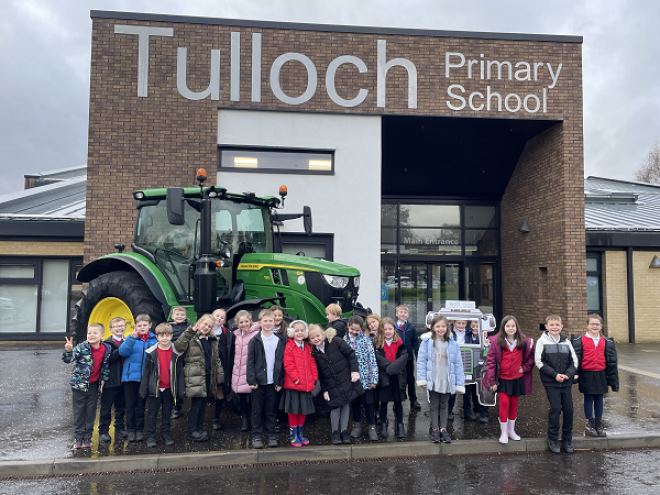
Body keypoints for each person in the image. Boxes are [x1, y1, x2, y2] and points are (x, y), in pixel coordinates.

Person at [483, 316, 535, 444]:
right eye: (508, 326)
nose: (510, 328)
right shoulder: (496, 342)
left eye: (513, 326)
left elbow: (531, 359)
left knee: (514, 404)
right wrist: (492, 382)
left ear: (516, 327)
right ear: (503, 328)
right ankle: (504, 432)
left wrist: (525, 368)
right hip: (502, 379)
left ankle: (511, 431)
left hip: (517, 379)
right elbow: (490, 363)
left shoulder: (523, 341)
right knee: (504, 403)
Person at [309, 324, 363, 445]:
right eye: (312, 338)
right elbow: (321, 374)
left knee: (345, 404)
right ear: (310, 340)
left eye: (317, 335)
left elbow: (351, 355)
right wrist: (324, 390)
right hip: (331, 383)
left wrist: (354, 371)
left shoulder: (336, 341)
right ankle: (335, 432)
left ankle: (344, 431)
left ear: (322, 334)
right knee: (335, 406)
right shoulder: (314, 353)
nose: (316, 339)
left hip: (345, 378)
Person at [174, 313, 224, 443]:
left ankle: (199, 429)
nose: (206, 327)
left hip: (208, 376)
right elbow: (178, 347)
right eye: (205, 324)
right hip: (195, 376)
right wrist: (190, 331)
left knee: (203, 405)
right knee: (196, 405)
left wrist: (220, 377)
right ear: (199, 322)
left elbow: (216, 359)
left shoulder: (212, 340)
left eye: (209, 326)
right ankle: (192, 431)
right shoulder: (191, 337)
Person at [417, 315, 465, 444]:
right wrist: (422, 379)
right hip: (433, 379)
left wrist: (459, 382)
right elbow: (421, 361)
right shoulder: (426, 343)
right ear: (432, 327)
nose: (440, 328)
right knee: (434, 405)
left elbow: (458, 364)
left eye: (443, 326)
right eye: (437, 326)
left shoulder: (453, 344)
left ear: (447, 327)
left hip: (447, 380)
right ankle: (435, 430)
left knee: (444, 405)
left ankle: (443, 429)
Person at [535, 314, 579, 454]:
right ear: (547, 327)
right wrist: (555, 375)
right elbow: (539, 362)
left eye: (557, 325)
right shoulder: (542, 341)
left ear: (561, 327)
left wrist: (567, 375)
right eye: (551, 325)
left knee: (569, 410)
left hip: (566, 381)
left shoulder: (567, 342)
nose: (554, 327)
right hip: (551, 382)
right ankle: (553, 439)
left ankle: (567, 439)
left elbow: (574, 361)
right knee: (555, 409)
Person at [63, 323, 111, 449]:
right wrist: (68, 350)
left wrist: (103, 380)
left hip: (94, 386)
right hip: (79, 386)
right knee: (79, 412)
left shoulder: (106, 348)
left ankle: (87, 437)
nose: (91, 335)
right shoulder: (81, 347)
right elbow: (69, 359)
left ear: (102, 335)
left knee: (91, 412)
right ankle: (78, 437)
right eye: (89, 333)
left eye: (95, 333)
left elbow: (105, 367)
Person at [572, 314, 619, 438]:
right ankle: (589, 424)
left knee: (599, 398)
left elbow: (611, 360)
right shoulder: (580, 340)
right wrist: (575, 373)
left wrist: (612, 377)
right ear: (587, 325)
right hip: (586, 373)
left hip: (601, 373)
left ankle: (599, 423)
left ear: (601, 326)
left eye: (597, 324)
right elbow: (576, 358)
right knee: (589, 397)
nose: (594, 326)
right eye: (592, 324)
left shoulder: (606, 341)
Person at [140, 323, 184, 447]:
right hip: (155, 388)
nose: (165, 338)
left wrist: (180, 390)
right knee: (152, 414)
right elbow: (146, 372)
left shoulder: (176, 352)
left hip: (169, 388)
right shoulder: (151, 352)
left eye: (167, 335)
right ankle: (150, 436)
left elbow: (179, 372)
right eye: (161, 336)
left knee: (167, 413)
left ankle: (166, 434)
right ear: (157, 337)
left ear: (171, 336)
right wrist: (143, 390)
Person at [247, 309, 286, 449]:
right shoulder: (255, 340)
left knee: (271, 409)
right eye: (265, 321)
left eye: (271, 321)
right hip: (258, 382)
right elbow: (250, 362)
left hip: (273, 383)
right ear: (260, 322)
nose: (268, 323)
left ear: (274, 322)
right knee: (256, 410)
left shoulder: (280, 340)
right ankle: (256, 435)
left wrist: (280, 381)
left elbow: (282, 363)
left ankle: (271, 434)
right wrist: (251, 380)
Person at [119, 314, 158, 442]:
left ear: (150, 325)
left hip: (144, 378)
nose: (142, 327)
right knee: (130, 405)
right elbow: (123, 352)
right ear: (135, 326)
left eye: (145, 325)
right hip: (130, 378)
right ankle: (131, 430)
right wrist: (130, 339)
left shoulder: (154, 340)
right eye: (139, 325)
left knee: (141, 405)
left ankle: (140, 429)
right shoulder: (131, 338)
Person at [281, 320, 318, 447]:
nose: (300, 333)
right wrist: (296, 379)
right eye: (297, 330)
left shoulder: (308, 347)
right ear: (291, 332)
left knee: (303, 410)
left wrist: (314, 378)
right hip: (294, 385)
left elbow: (312, 363)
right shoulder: (289, 345)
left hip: (306, 385)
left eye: (302, 330)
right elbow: (288, 364)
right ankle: (293, 435)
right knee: (294, 411)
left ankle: (300, 434)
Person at [344, 315, 379, 441]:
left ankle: (371, 428)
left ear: (361, 330)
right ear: (348, 326)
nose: (354, 332)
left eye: (357, 330)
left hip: (365, 378)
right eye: (352, 329)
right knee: (355, 403)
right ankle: (357, 426)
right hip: (352, 379)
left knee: (369, 404)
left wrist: (373, 379)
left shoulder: (366, 341)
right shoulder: (345, 340)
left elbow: (372, 361)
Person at [374, 317, 408, 439]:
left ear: (394, 329)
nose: (387, 331)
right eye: (385, 329)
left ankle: (400, 425)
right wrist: (390, 368)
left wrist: (392, 368)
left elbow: (404, 357)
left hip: (397, 378)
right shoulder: (378, 343)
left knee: (398, 403)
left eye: (390, 329)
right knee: (383, 403)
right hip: (384, 377)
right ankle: (383, 424)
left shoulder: (399, 343)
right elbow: (379, 359)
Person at [98, 317, 128, 443]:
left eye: (122, 326)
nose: (120, 328)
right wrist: (124, 347)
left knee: (121, 406)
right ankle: (103, 431)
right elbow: (110, 358)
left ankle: (119, 427)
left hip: (123, 379)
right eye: (116, 326)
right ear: (111, 329)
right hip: (110, 381)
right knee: (106, 407)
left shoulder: (127, 341)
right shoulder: (106, 344)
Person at [231, 310, 259, 432]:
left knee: (253, 398)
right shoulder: (236, 335)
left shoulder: (256, 334)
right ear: (237, 323)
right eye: (241, 322)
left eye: (246, 321)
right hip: (239, 370)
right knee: (242, 397)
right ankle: (244, 419)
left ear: (250, 321)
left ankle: (254, 420)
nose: (244, 324)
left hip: (251, 370)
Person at [394, 305, 420, 410]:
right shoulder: (393, 327)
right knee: (398, 379)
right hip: (397, 359)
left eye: (405, 312)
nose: (403, 314)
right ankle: (398, 400)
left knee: (410, 379)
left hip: (408, 359)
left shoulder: (411, 327)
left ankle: (413, 400)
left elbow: (415, 342)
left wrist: (418, 356)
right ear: (396, 314)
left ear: (408, 315)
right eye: (401, 312)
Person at [212, 308, 234, 431]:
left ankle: (216, 418)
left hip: (222, 365)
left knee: (220, 390)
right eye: (217, 316)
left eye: (222, 317)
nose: (219, 318)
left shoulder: (226, 332)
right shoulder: (204, 330)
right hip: (208, 366)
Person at [169, 306, 189, 420]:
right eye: (177, 315)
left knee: (185, 382)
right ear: (172, 316)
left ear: (185, 316)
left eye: (182, 315)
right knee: (175, 382)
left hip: (186, 358)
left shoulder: (189, 326)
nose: (180, 316)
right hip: (174, 358)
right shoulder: (169, 327)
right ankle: (175, 407)